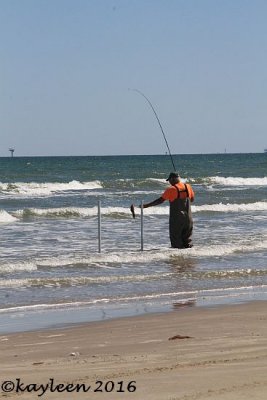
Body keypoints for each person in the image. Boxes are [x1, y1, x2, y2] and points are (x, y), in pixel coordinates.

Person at [137, 172, 195, 248]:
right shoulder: (188, 187)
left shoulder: (171, 189)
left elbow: (160, 200)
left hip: (177, 220)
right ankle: (187, 259)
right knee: (187, 242)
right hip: (188, 219)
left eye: (170, 180)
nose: (169, 182)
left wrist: (146, 206)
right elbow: (192, 199)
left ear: (173, 179)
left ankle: (178, 259)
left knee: (176, 242)